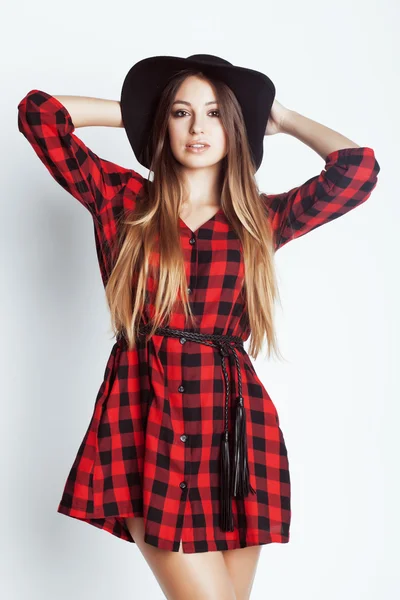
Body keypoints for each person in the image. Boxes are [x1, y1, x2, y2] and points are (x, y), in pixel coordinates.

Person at [17, 54, 380, 600]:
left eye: (215, 114)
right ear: (163, 123)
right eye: (182, 113)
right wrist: (141, 109)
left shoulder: (259, 219)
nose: (198, 127)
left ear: (236, 127)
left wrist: (277, 115)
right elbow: (39, 115)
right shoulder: (122, 202)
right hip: (144, 421)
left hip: (235, 434)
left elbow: (357, 171)